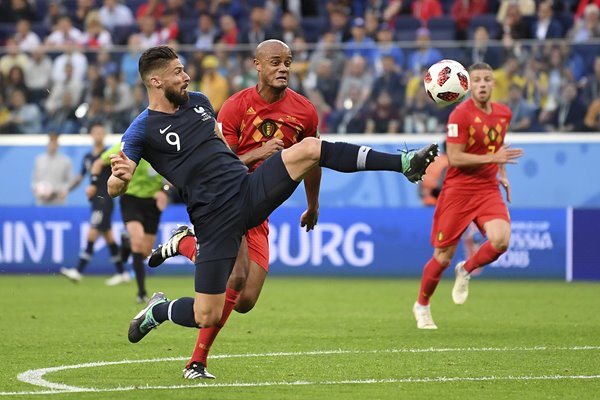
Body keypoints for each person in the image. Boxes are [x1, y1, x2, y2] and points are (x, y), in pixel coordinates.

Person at [108, 44, 438, 379]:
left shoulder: (200, 103)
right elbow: (115, 186)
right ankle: (159, 310)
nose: (186, 76)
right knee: (209, 313)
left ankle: (403, 163)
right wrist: (118, 179)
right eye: (177, 72)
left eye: (183, 69)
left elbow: (223, 155)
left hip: (247, 191)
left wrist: (300, 193)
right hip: (213, 218)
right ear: (155, 81)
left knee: (309, 148)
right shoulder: (141, 129)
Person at [145, 39, 323, 379]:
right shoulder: (234, 108)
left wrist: (313, 204)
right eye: (275, 61)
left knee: (245, 300)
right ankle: (197, 362)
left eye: (288, 61)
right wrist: (258, 155)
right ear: (257, 65)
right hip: (226, 200)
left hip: (261, 207)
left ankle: (180, 255)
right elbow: (217, 165)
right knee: (235, 278)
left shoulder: (305, 111)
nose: (283, 68)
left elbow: (313, 161)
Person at [412, 62, 524, 330]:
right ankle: (422, 305)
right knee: (442, 257)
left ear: (493, 84)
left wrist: (503, 173)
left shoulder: (503, 114)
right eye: (477, 80)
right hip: (458, 190)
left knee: (501, 241)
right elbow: (456, 157)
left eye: (487, 79)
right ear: (468, 85)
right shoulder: (459, 116)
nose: (483, 84)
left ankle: (466, 269)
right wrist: (494, 157)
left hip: (487, 188)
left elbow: (497, 147)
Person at [90, 141, 168, 303]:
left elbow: (172, 177)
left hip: (152, 203)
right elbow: (98, 163)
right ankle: (141, 293)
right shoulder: (127, 145)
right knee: (138, 244)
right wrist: (93, 183)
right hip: (131, 200)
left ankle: (126, 243)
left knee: (145, 252)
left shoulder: (163, 146)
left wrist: (165, 192)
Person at [60, 123, 127, 284]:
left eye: (100, 132)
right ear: (91, 134)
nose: (98, 135)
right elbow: (80, 177)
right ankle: (121, 272)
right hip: (94, 201)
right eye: (95, 132)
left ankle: (78, 270)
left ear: (104, 135)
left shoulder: (107, 154)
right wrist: (67, 189)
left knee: (93, 231)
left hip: (105, 199)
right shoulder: (87, 158)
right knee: (108, 235)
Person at [32, 132, 73, 205]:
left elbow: (69, 180)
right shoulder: (39, 160)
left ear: (58, 144)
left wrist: (64, 191)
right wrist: (37, 190)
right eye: (51, 142)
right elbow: (35, 179)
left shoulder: (65, 161)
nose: (53, 145)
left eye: (55, 142)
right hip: (42, 200)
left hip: (58, 199)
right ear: (48, 143)